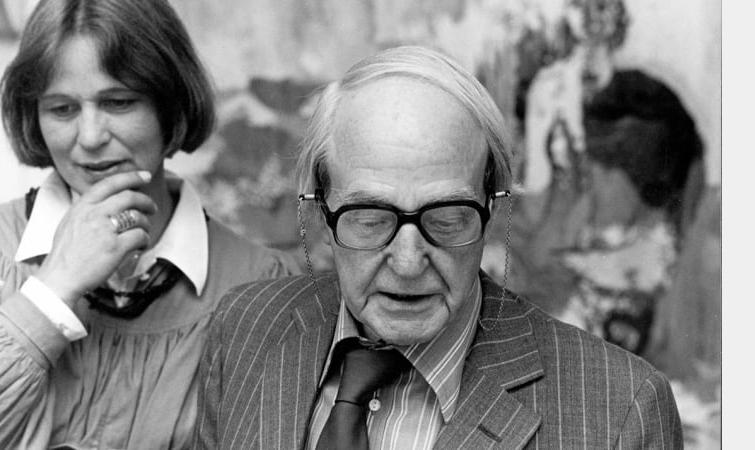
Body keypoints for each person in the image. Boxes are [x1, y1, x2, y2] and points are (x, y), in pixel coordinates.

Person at [193, 45, 683, 449]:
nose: (408, 263)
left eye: (446, 218)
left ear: (491, 209)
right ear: (321, 210)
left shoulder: (621, 412)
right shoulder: (245, 329)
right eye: (369, 218)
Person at [0, 0, 301, 448]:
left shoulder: (263, 284)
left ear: (170, 105)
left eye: (118, 102)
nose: (91, 137)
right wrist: (52, 290)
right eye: (62, 109)